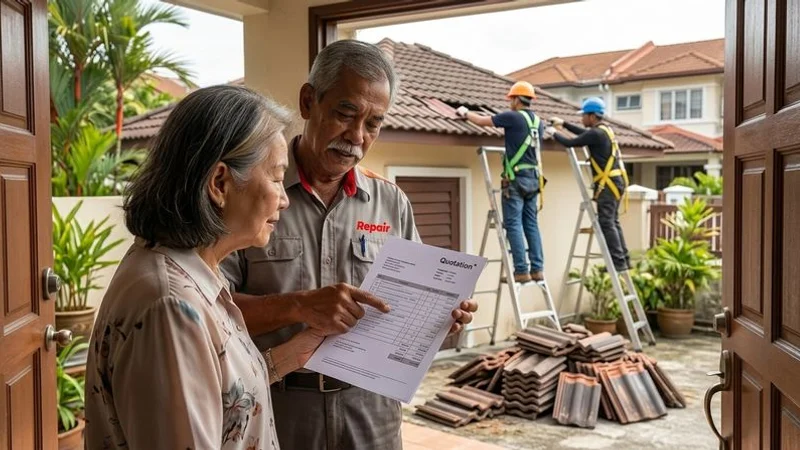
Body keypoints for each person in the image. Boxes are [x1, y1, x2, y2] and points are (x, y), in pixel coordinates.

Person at [83, 85, 386, 450]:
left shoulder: (191, 272)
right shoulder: (172, 308)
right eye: (276, 177)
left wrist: (297, 353)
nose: (286, 199)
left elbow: (221, 396)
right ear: (220, 183)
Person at [220, 39, 478, 450]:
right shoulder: (251, 194)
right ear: (308, 101)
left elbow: (409, 309)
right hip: (277, 405)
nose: (356, 136)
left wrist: (440, 315)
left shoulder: (391, 202)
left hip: (372, 411)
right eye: (345, 113)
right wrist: (298, 305)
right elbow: (211, 315)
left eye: (373, 123)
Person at [454, 81, 546, 283]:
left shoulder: (512, 117)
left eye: (511, 99)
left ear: (516, 99)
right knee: (531, 224)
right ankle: (537, 269)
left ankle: (521, 270)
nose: (510, 102)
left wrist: (464, 112)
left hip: (515, 180)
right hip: (534, 179)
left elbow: (480, 121)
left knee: (513, 224)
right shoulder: (539, 122)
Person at [547, 96, 632, 272]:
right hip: (616, 182)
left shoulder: (596, 133)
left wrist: (553, 132)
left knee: (606, 222)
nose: (582, 118)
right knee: (613, 221)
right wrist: (563, 124)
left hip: (608, 185)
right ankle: (623, 259)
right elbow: (583, 135)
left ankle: (617, 262)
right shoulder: (604, 130)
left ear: (592, 116)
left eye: (584, 115)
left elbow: (571, 143)